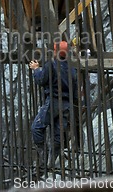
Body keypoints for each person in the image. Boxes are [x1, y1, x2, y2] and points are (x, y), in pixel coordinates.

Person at [28, 41, 78, 175]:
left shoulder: (52, 65)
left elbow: (41, 80)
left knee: (37, 128)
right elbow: (76, 93)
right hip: (67, 105)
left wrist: (36, 69)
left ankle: (43, 159)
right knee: (57, 135)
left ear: (55, 52)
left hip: (53, 102)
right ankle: (51, 162)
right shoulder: (73, 70)